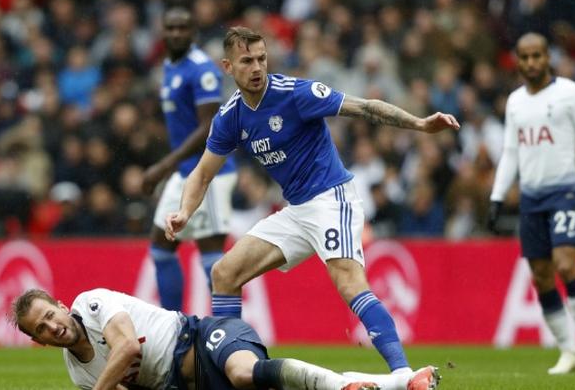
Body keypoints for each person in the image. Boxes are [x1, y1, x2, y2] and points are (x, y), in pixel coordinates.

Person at [165, 27, 459, 375]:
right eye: (247, 61)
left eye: (262, 58)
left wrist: (420, 124)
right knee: (224, 273)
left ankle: (403, 374)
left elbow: (363, 107)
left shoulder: (294, 93)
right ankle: (228, 370)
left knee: (348, 281)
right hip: (297, 210)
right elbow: (201, 174)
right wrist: (185, 211)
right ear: (228, 67)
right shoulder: (231, 116)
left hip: (332, 197)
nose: (257, 67)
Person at [487, 33, 575, 374]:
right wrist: (497, 197)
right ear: (517, 61)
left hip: (564, 193)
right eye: (525, 57)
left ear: (549, 58)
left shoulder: (571, 94)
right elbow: (510, 152)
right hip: (531, 197)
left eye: (537, 56)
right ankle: (567, 350)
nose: (531, 63)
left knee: (565, 264)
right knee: (541, 276)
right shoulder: (515, 102)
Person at [10, 288, 441, 390]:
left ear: (62, 305)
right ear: (40, 342)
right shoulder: (78, 373)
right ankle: (402, 382)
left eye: (50, 315)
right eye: (41, 330)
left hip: (201, 336)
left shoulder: (91, 303)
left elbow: (128, 348)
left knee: (243, 372)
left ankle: (351, 385)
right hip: (188, 385)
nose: (52, 327)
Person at [143, 6, 237, 311]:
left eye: (183, 28)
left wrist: (163, 165)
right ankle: (174, 327)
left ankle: (232, 334)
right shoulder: (171, 66)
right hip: (185, 173)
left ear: (194, 32)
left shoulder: (201, 69)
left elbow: (209, 126)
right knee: (161, 248)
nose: (176, 33)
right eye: (171, 28)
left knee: (212, 259)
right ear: (163, 32)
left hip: (210, 173)